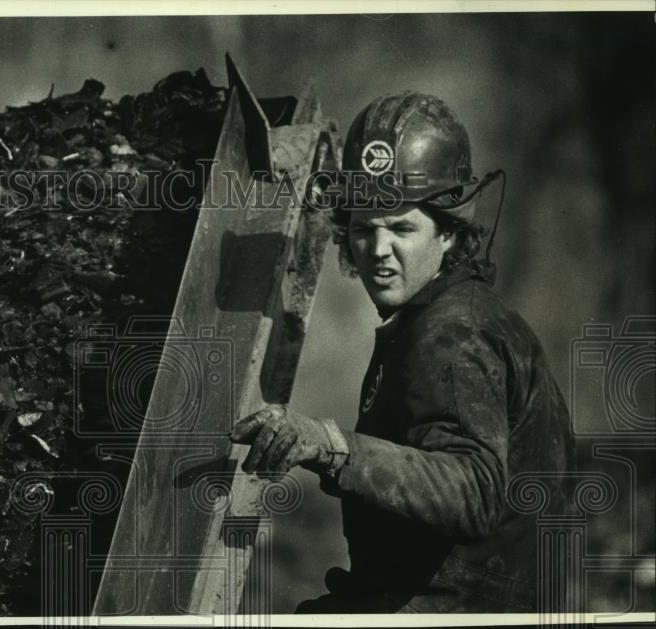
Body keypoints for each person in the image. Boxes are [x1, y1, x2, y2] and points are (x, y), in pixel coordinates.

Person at [229, 92, 576, 613]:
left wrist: (332, 447)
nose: (378, 250)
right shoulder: (450, 315)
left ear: (448, 233)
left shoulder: (454, 332)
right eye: (365, 228)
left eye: (402, 228)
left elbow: (474, 492)